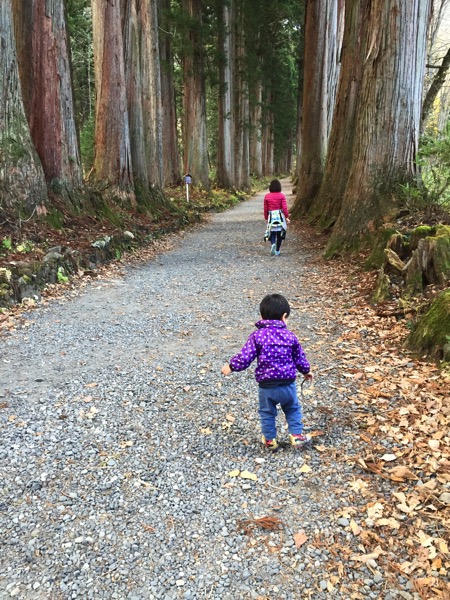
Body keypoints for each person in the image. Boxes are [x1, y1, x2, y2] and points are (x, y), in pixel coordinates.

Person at [221, 294, 313, 450]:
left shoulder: (257, 336)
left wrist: (231, 366)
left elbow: (245, 356)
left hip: (266, 385)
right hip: (287, 384)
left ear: (262, 316)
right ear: (284, 317)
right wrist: (306, 371)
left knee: (267, 412)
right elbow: (299, 358)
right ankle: (297, 436)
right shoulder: (290, 337)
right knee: (292, 409)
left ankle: (270, 440)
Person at [263, 179, 290, 256]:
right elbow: (284, 208)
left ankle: (273, 244)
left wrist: (266, 217)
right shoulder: (282, 196)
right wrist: (287, 216)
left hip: (271, 217)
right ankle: (277, 250)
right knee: (280, 234)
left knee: (272, 232)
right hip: (280, 217)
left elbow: (265, 209)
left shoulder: (267, 196)